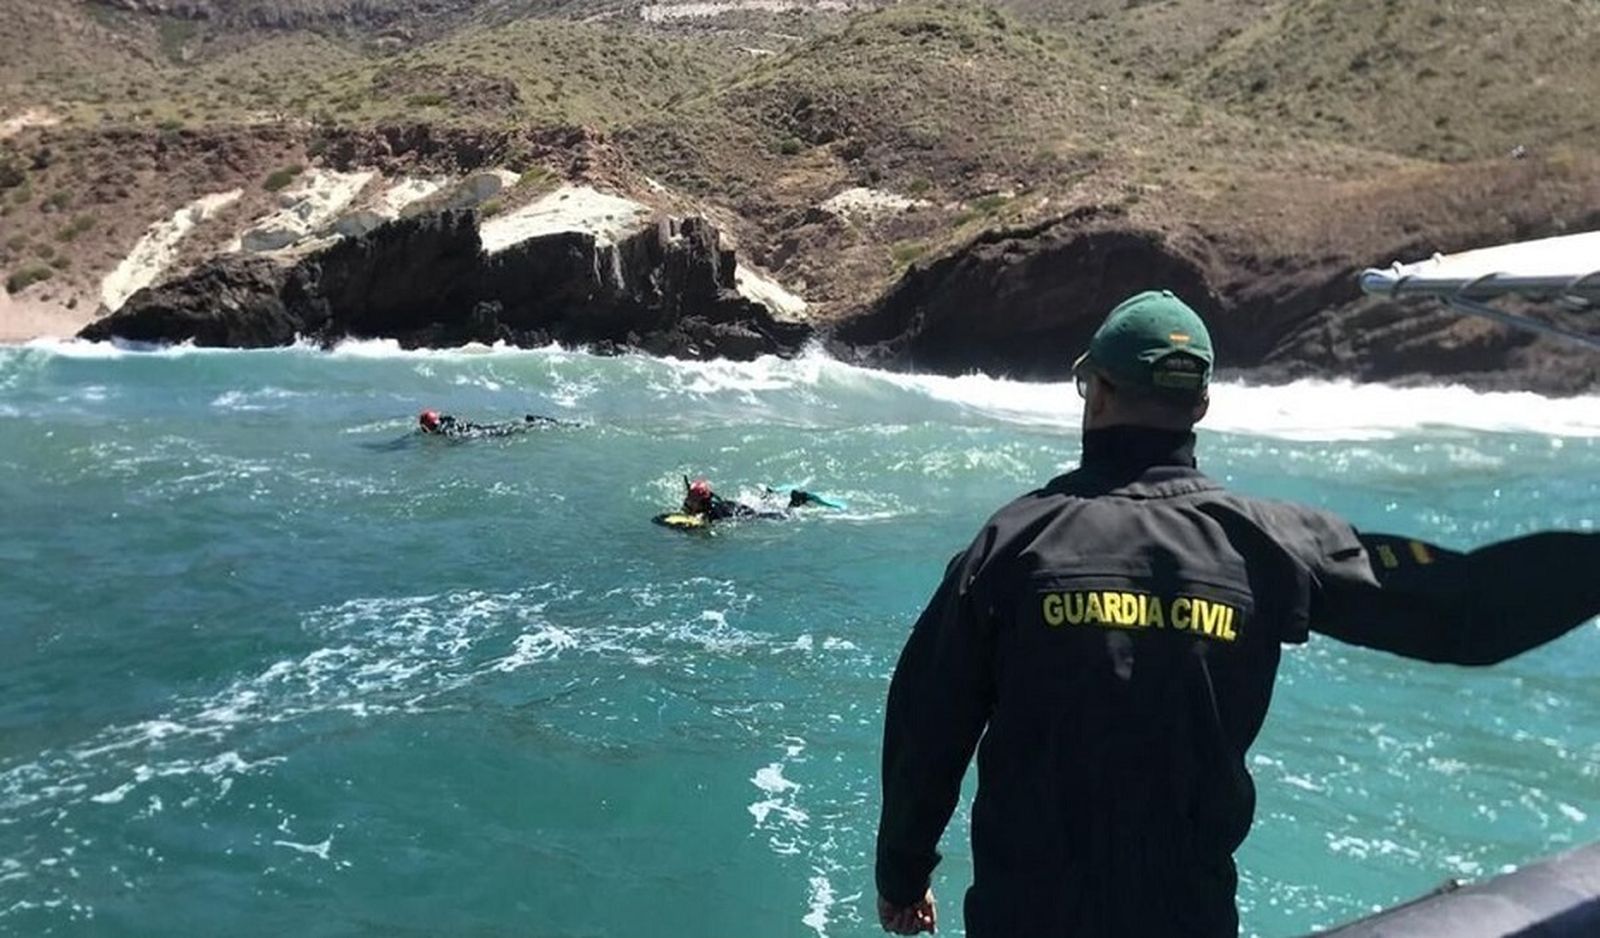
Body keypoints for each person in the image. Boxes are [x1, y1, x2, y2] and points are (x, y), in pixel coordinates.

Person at [874, 290, 1600, 937]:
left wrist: (903, 878)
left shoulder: (1009, 544)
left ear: (1094, 391)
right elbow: (1463, 611)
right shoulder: (1270, 541)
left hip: (1024, 915)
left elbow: (926, 731)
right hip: (1187, 914)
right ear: (1201, 405)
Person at [417, 409, 575, 438]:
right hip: (482, 431)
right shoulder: (448, 424)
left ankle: (551, 424)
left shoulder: (445, 432)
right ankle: (558, 424)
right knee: (514, 427)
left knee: (516, 429)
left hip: (482, 434)